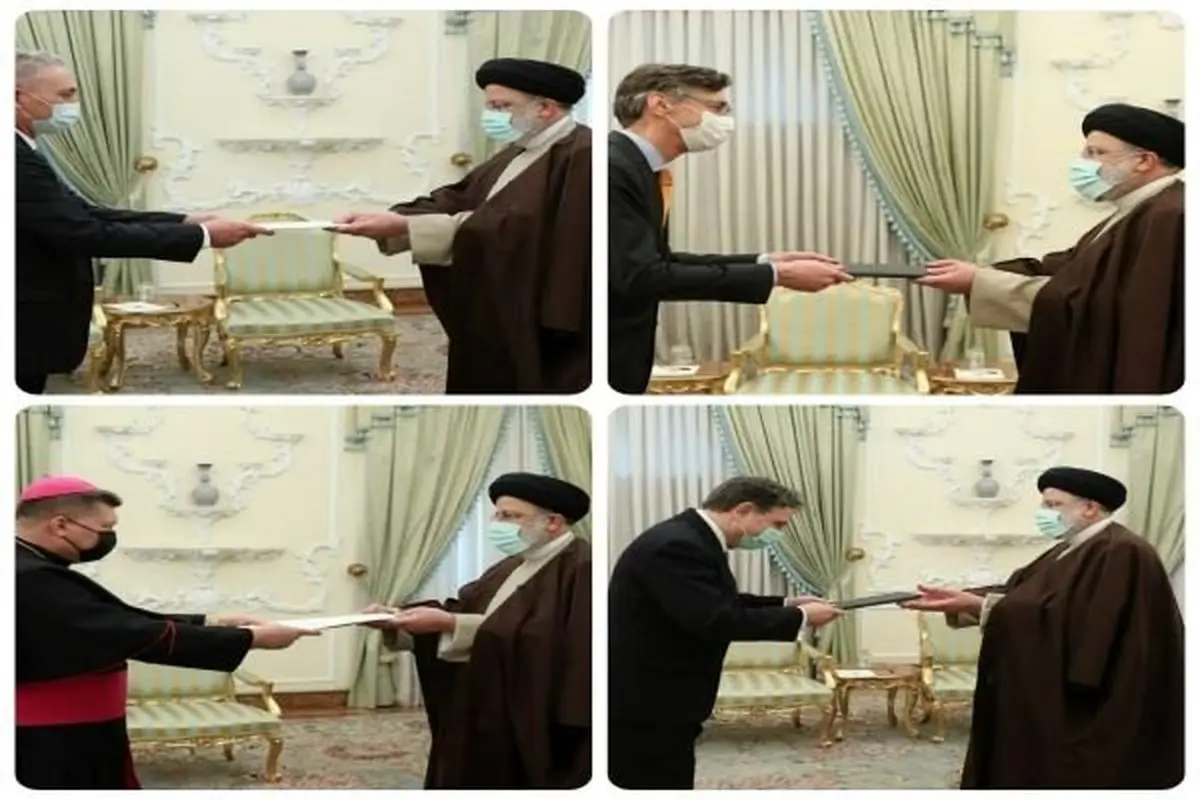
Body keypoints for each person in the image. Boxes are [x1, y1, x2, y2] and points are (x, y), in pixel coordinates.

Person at [15, 476, 317, 789]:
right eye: (105, 528)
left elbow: (116, 619)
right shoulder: (28, 577)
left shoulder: (33, 568)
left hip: (78, 725)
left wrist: (212, 622)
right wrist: (252, 639)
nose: (109, 538)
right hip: (54, 737)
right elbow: (128, 633)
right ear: (61, 525)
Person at [902, 466, 1184, 789]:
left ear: (1090, 508)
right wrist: (962, 600)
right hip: (1057, 685)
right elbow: (1024, 594)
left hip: (1099, 698)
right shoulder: (1071, 548)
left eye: (1053, 505)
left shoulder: (1122, 551)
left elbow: (1085, 623)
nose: (1044, 514)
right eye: (1044, 505)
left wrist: (979, 605)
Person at [15, 49, 272, 396]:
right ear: (18, 97)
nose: (74, 104)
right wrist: (202, 236)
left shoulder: (24, 148)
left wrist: (185, 221)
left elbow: (88, 212)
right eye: (65, 95)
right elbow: (84, 232)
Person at [330, 58, 591, 394]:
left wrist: (406, 226)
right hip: (493, 296)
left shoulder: (584, 154)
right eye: (490, 106)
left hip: (533, 306)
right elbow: (460, 197)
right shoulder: (520, 151)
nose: (492, 116)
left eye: (502, 106)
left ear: (545, 108)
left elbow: (522, 228)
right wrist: (397, 220)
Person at [607, 63, 853, 394]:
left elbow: (659, 261)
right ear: (660, 104)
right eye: (717, 108)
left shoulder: (640, 167)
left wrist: (766, 262)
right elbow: (641, 277)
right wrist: (778, 276)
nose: (725, 121)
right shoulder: (612, 168)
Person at [919, 103, 1184, 394]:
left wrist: (980, 282)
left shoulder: (1170, 216)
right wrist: (981, 276)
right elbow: (1068, 271)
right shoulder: (1137, 210)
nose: (1083, 163)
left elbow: (1101, 306)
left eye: (1096, 153)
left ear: (1144, 161)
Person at [607, 476, 844, 789]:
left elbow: (715, 601)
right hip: (650, 698)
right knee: (655, 779)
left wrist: (787, 603)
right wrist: (800, 617)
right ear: (743, 510)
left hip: (659, 693)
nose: (778, 534)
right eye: (777, 524)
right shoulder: (679, 545)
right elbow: (715, 619)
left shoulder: (691, 537)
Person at [362, 472, 591, 788]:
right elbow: (464, 611)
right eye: (497, 515)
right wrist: (396, 620)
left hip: (532, 711)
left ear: (553, 522)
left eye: (510, 516)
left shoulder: (582, 567)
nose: (497, 523)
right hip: (484, 697)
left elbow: (549, 641)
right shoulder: (512, 564)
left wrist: (450, 624)